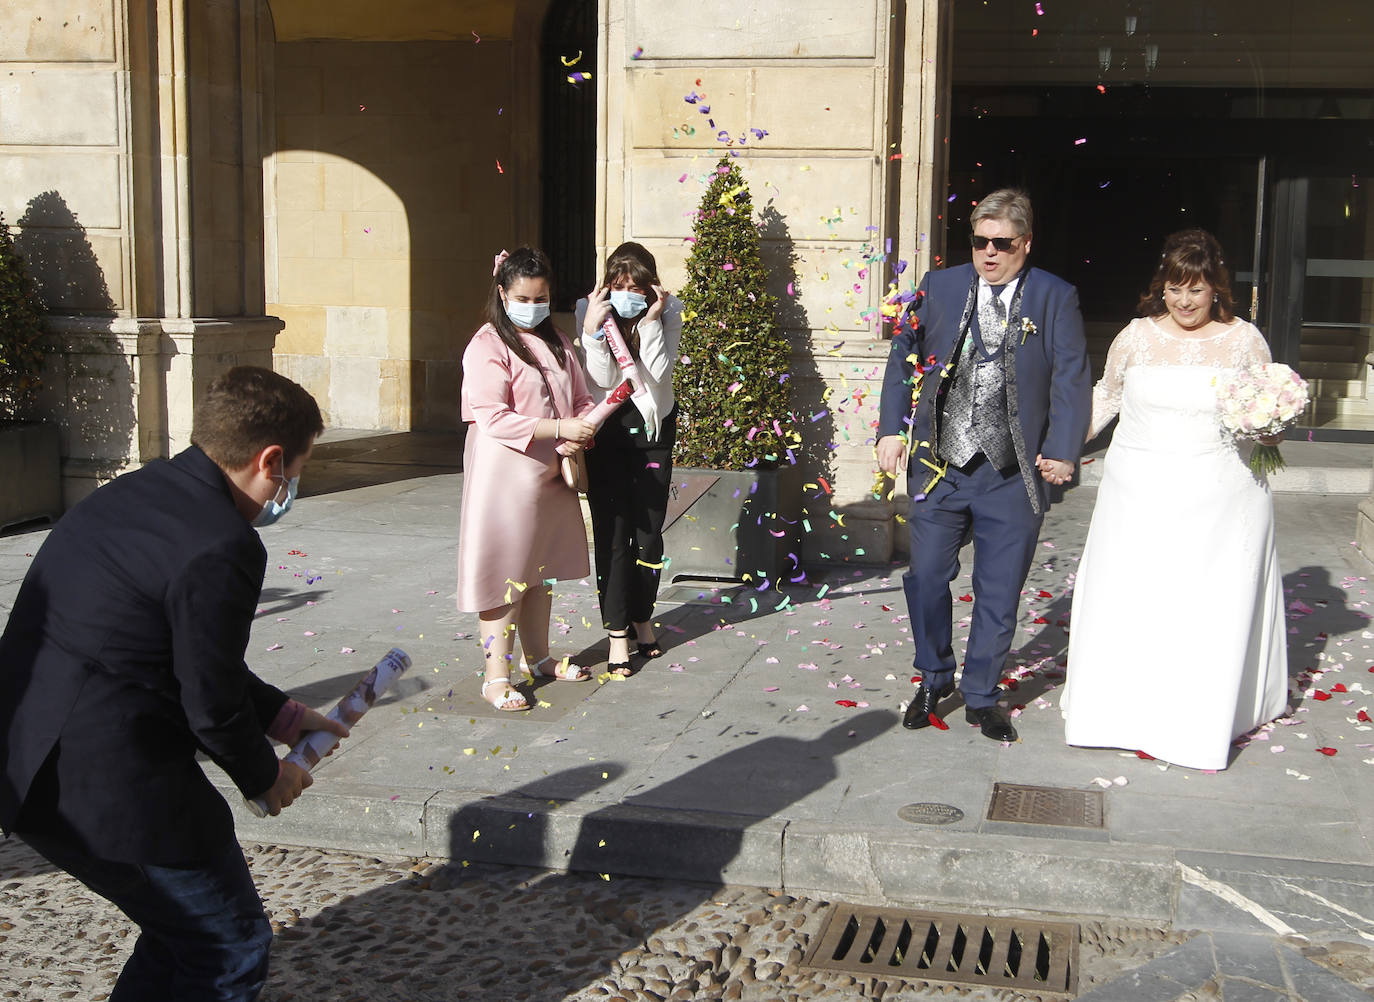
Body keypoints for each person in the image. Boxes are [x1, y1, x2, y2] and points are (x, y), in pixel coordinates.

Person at [0, 366, 349, 1001]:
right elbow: (209, 701)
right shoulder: (222, 544)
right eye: (296, 472)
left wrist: (287, 719)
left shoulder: (139, 492)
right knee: (227, 944)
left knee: (178, 935)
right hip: (105, 781)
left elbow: (181, 654)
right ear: (269, 460)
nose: (291, 488)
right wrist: (265, 777)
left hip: (31, 756)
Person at [1061, 229, 1289, 769]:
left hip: (1221, 495)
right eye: (1175, 288)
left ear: (1217, 289)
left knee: (1203, 607)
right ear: (1160, 286)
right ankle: (1119, 708)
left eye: (1198, 289)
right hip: (1137, 492)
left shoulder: (1244, 340)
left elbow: (1263, 416)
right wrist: (1061, 446)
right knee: (1134, 596)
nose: (1185, 301)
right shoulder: (1136, 337)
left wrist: (1275, 424)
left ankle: (1200, 713)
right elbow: (1107, 397)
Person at [877, 188, 1092, 742]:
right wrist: (890, 430)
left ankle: (981, 695)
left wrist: (1065, 448)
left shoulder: (1054, 296)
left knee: (998, 591)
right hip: (940, 464)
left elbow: (1071, 376)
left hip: (1010, 472)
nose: (989, 254)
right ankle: (933, 677)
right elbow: (903, 359)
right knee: (925, 576)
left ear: (1025, 243)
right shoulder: (940, 286)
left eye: (1002, 244)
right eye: (979, 242)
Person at [458, 247, 595, 710]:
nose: (534, 306)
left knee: (541, 568)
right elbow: (493, 416)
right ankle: (496, 676)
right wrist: (562, 429)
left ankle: (538, 658)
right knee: (506, 573)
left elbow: (579, 396)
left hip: (550, 472)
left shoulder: (557, 339)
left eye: (543, 297)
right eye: (525, 297)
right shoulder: (486, 345)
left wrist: (585, 426)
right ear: (502, 293)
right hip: (506, 475)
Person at [574, 242, 682, 676]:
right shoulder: (591, 308)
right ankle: (618, 633)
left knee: (649, 534)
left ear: (651, 286)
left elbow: (657, 375)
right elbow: (600, 378)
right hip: (608, 433)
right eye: (620, 286)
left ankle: (643, 617)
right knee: (613, 535)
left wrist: (653, 320)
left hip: (653, 431)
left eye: (637, 287)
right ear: (608, 286)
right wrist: (592, 332)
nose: (629, 295)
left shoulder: (667, 310)